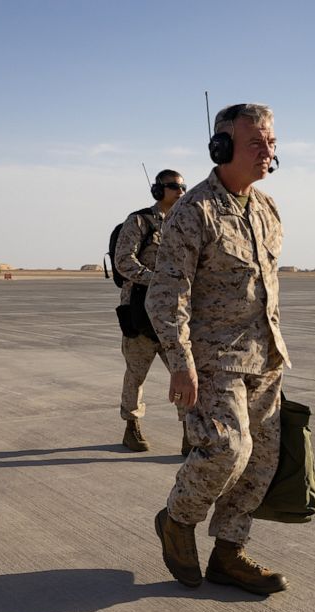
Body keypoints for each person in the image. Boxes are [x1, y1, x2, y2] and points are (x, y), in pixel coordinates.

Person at [146, 104, 291, 595]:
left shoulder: (268, 210)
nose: (268, 152)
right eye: (256, 143)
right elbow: (167, 293)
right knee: (228, 449)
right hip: (214, 360)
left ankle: (229, 554)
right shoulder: (195, 211)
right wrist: (180, 363)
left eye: (271, 142)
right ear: (222, 147)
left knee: (261, 462)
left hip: (265, 357)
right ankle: (177, 520)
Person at [113, 170, 189, 453]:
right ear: (158, 190)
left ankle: (188, 430)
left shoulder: (186, 224)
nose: (180, 191)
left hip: (176, 314)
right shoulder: (139, 221)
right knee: (136, 373)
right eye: (173, 187)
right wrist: (158, 278)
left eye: (183, 186)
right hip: (140, 311)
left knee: (183, 371)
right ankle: (131, 428)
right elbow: (123, 261)